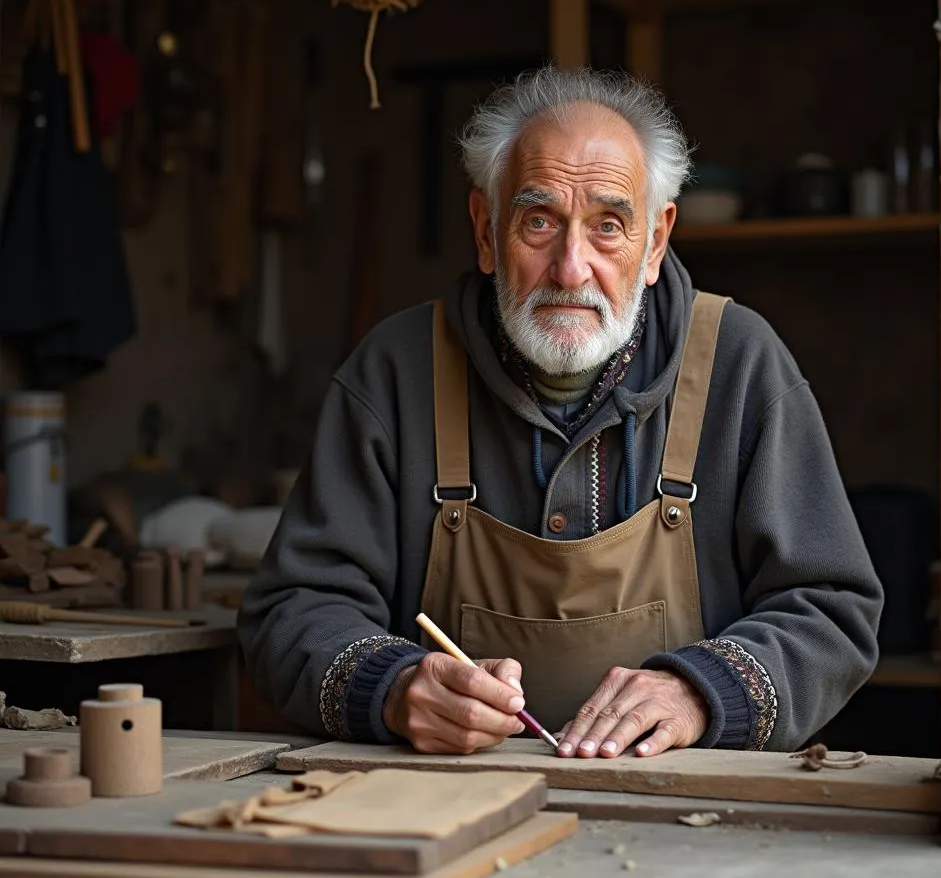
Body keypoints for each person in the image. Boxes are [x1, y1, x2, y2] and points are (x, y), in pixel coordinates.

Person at [238, 65, 883, 760]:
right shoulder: (395, 371)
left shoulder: (740, 365)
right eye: (539, 221)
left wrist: (702, 692)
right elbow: (291, 610)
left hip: (690, 822)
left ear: (656, 242)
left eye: (608, 225)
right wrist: (392, 689)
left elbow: (832, 612)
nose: (571, 269)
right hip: (444, 813)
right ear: (486, 232)